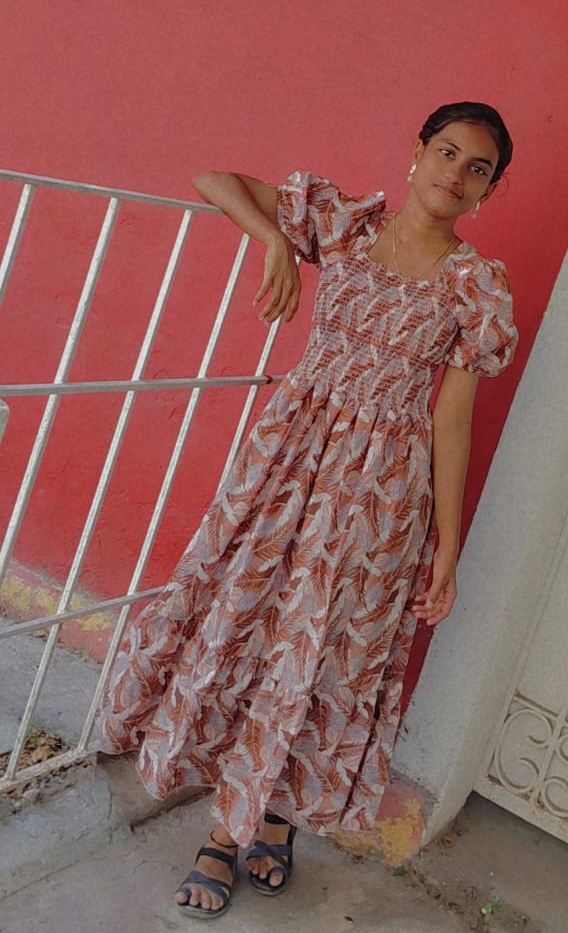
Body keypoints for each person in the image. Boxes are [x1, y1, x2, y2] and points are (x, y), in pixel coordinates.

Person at [97, 101, 518, 919]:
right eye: (447, 152)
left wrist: (447, 545)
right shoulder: (347, 226)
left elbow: (452, 418)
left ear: (488, 192)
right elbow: (214, 179)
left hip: (383, 492)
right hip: (289, 462)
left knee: (326, 653)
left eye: (478, 169)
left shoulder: (477, 286)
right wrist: (272, 241)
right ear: (417, 154)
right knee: (249, 623)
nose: (457, 174)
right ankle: (230, 825)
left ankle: (267, 820)